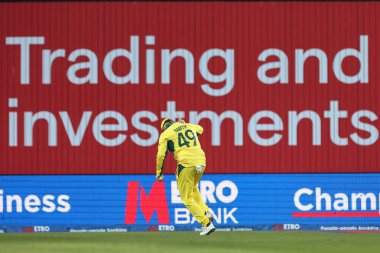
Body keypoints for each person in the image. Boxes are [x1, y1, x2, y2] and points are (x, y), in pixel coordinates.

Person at [156, 118, 215, 236]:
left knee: (186, 199)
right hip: (201, 162)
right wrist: (185, 124)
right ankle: (206, 212)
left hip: (186, 164)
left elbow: (161, 155)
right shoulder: (188, 126)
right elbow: (201, 129)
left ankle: (206, 223)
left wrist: (159, 172)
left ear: (164, 127)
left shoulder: (165, 134)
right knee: (193, 187)